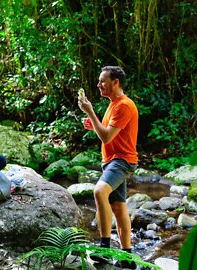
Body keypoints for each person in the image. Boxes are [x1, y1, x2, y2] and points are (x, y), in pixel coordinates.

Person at [78, 66, 138, 268]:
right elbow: (106, 131)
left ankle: (104, 248)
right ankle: (127, 257)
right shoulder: (113, 104)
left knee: (98, 191)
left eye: (102, 81)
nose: (99, 84)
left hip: (121, 160)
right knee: (119, 208)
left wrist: (90, 111)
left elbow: (106, 136)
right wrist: (93, 122)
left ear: (115, 83)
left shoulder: (124, 106)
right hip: (112, 160)